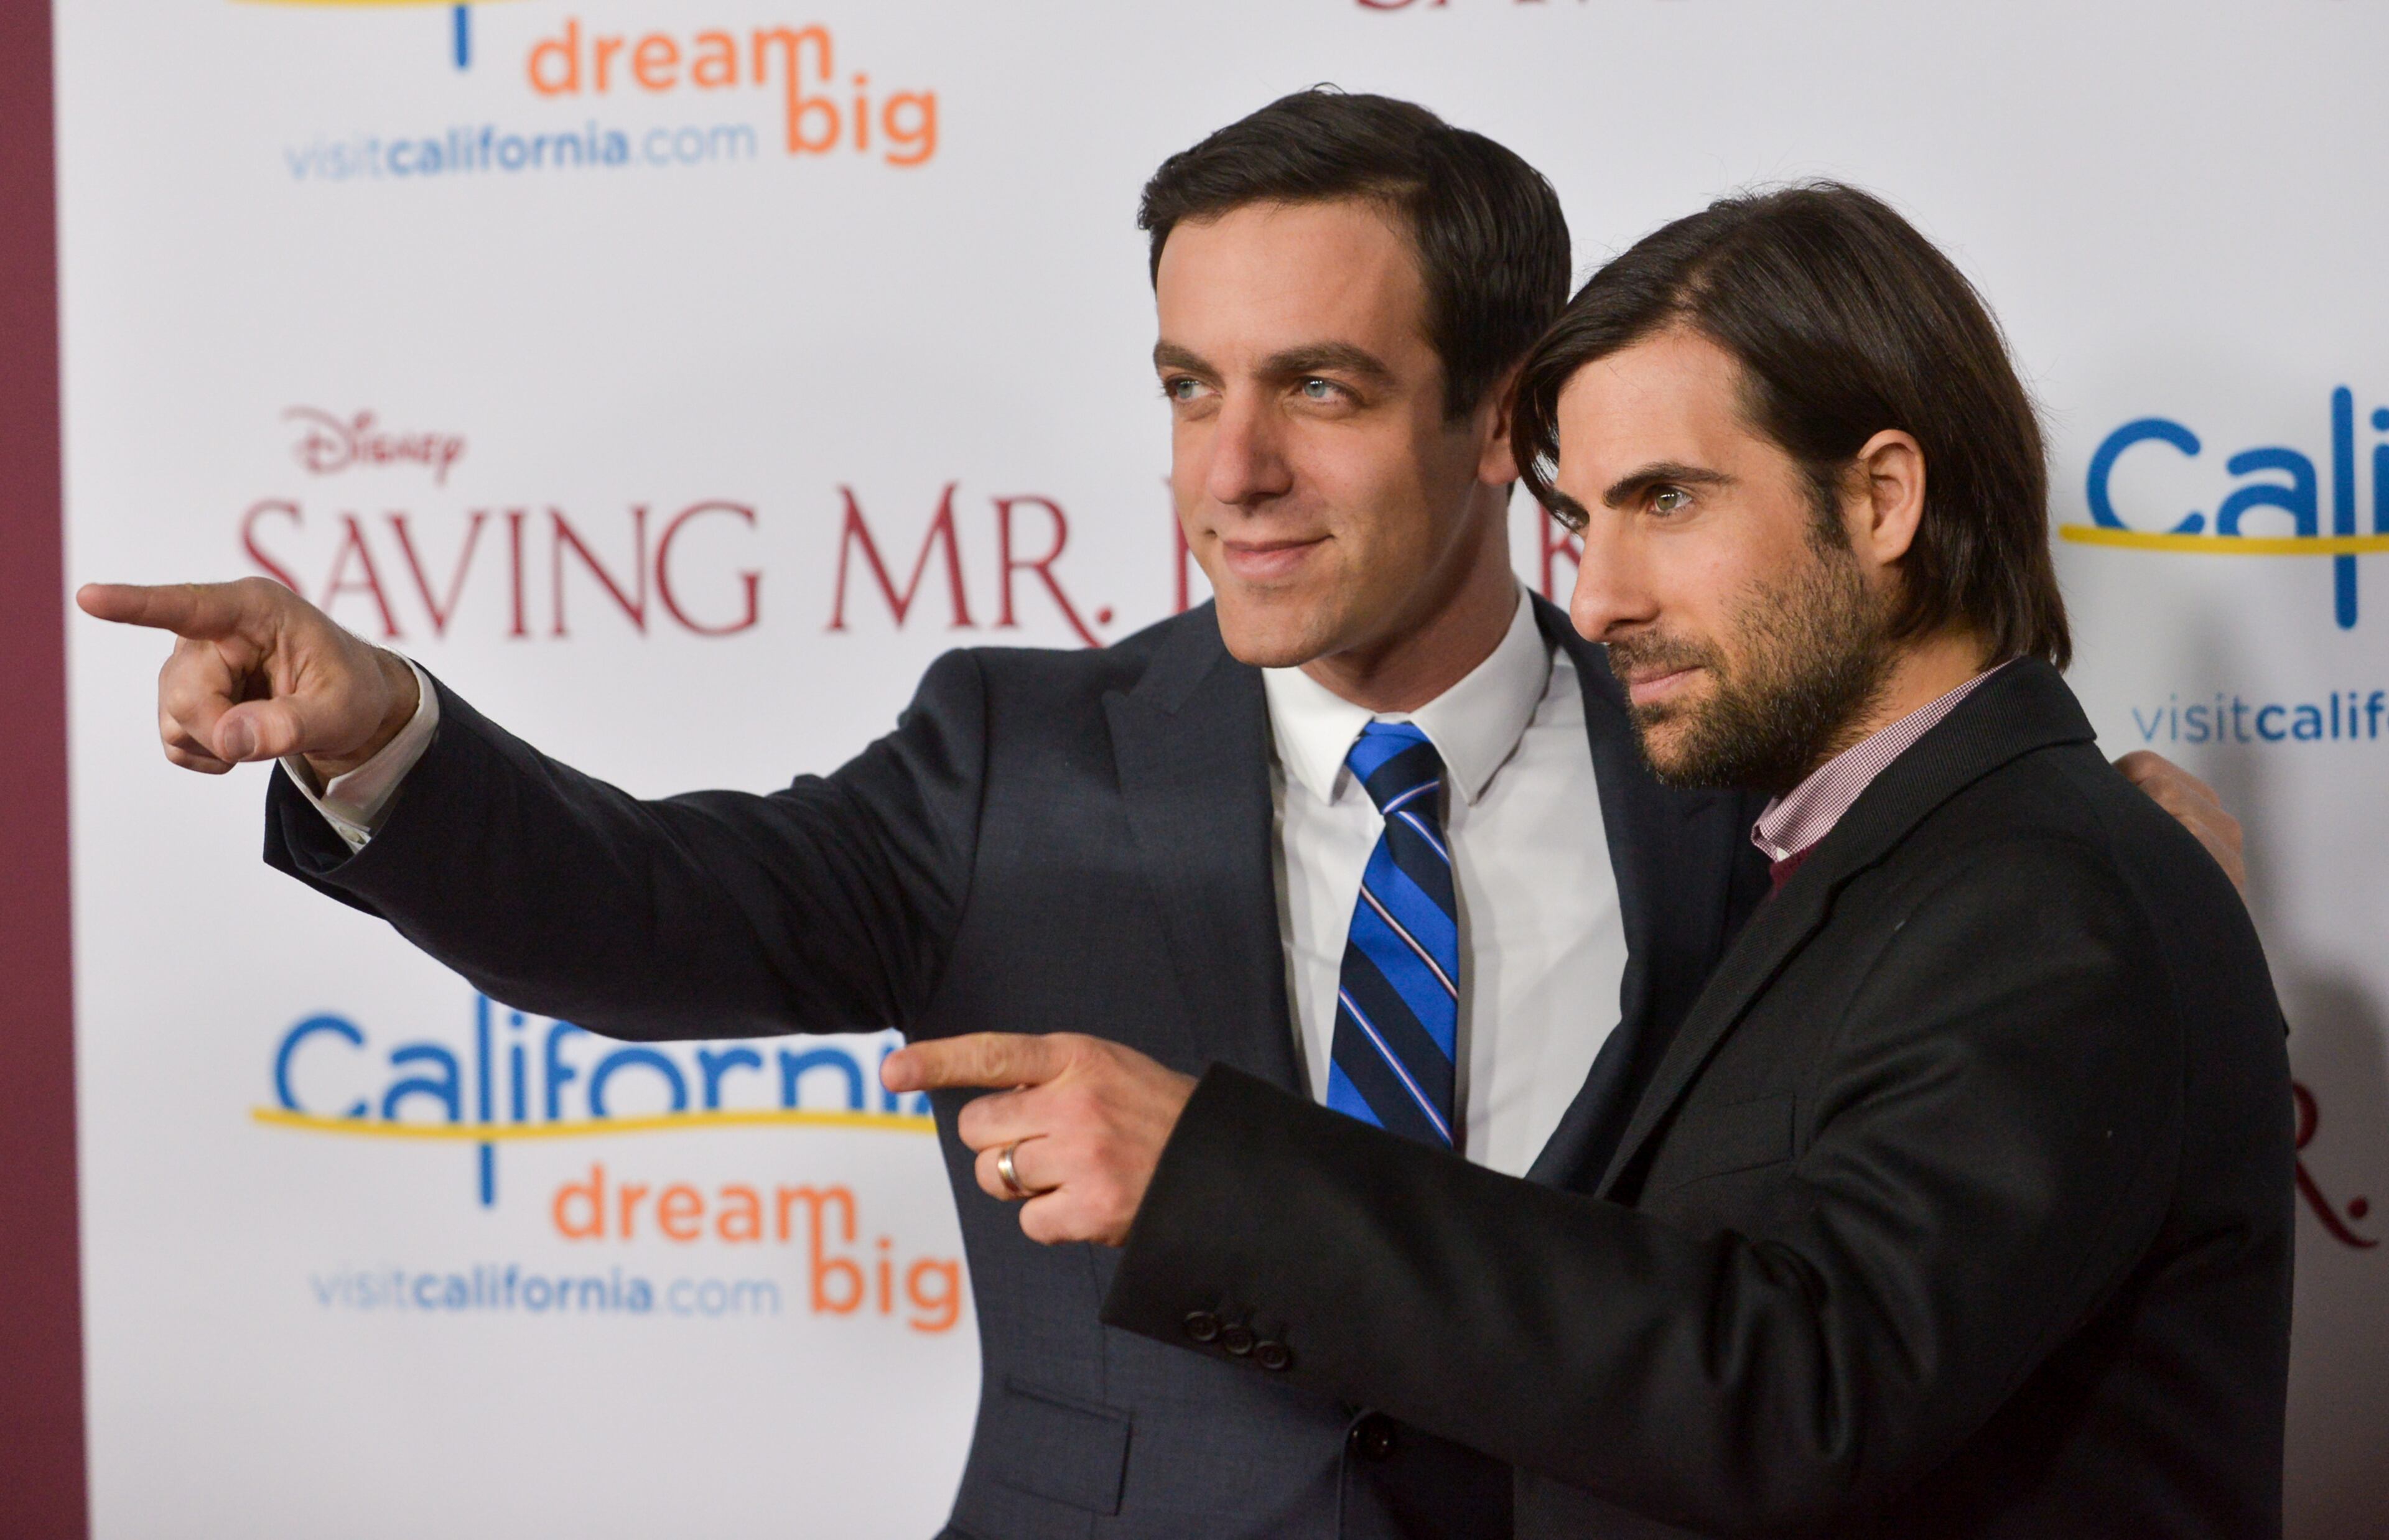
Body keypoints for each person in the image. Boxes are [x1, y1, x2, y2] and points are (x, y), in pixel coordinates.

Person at [80, 96, 2247, 1538]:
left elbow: (1842, 1239)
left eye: (1318, 384)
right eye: (1186, 387)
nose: (1231, 472)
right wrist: (384, 742)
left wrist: (2053, 853)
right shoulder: (1018, 754)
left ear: (1507, 426)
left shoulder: (1718, 763)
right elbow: (657, 909)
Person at [889, 183, 2294, 1538]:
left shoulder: (2051, 892)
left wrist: (1212, 1178)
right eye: (1582, 521)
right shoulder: (1910, 867)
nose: (1602, 597)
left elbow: (1793, 1385)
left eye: (1668, 500)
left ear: (1880, 500)